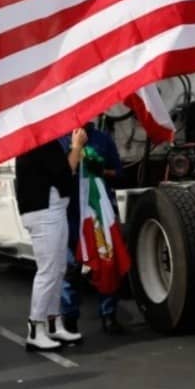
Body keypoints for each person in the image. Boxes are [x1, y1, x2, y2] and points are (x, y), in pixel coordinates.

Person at [15, 130, 87, 351]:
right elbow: (66, 172)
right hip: (44, 211)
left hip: (52, 208)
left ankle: (53, 323)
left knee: (57, 269)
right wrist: (76, 146)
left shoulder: (38, 140)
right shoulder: (38, 140)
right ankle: (36, 328)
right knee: (48, 270)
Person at [60, 122, 125, 335]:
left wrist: (101, 171)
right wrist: (76, 151)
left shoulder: (102, 139)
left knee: (107, 262)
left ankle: (109, 315)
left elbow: (119, 172)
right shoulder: (60, 138)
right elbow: (59, 175)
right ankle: (69, 319)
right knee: (71, 268)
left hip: (98, 213)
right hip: (72, 213)